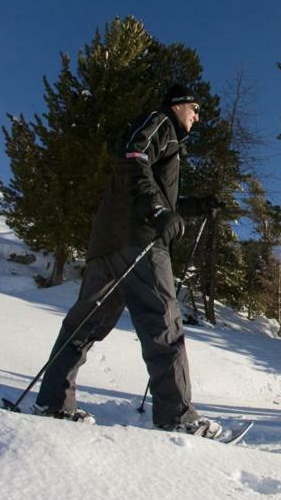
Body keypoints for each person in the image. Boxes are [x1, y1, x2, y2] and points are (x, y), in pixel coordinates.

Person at [34, 85, 224, 437]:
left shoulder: (167, 142)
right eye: (195, 108)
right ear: (178, 105)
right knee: (162, 324)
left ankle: (52, 403)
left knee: (85, 324)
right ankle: (176, 417)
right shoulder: (159, 123)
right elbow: (133, 159)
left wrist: (194, 206)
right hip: (139, 243)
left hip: (107, 244)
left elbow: (154, 192)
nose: (197, 116)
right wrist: (157, 212)